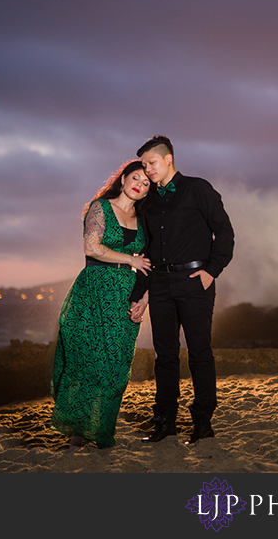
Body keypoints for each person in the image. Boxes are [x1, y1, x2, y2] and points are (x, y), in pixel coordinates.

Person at [130, 134, 234, 445]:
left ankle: (203, 423)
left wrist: (211, 271)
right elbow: (147, 251)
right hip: (160, 284)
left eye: (152, 163)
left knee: (200, 354)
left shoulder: (198, 189)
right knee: (165, 357)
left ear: (168, 159)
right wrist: (141, 293)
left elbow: (225, 232)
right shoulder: (148, 202)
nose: (147, 169)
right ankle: (165, 423)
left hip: (194, 282)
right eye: (144, 165)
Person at [49, 160, 152, 450]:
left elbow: (149, 265)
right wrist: (130, 259)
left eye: (146, 184)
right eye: (135, 178)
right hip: (93, 291)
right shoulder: (100, 208)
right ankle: (77, 434)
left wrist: (143, 300)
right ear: (122, 179)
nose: (139, 186)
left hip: (125, 297)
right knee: (87, 362)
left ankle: (102, 430)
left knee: (117, 368)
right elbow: (91, 247)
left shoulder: (144, 220)